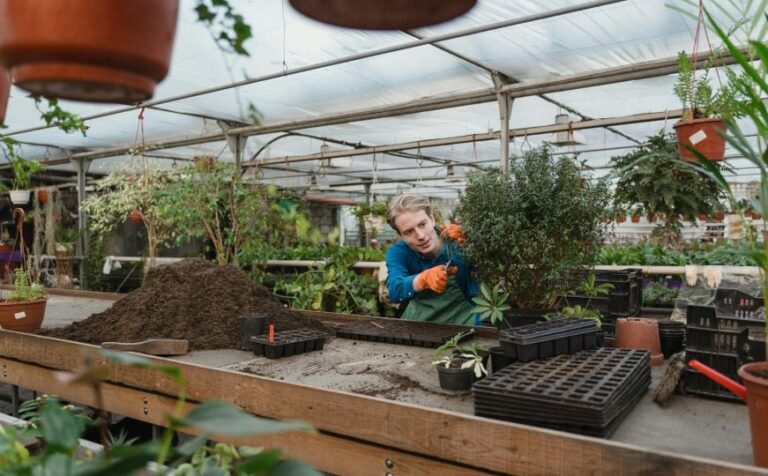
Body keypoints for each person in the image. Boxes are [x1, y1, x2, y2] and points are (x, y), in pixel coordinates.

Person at [385, 194, 479, 325]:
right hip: (420, 330)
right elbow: (395, 291)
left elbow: (500, 270)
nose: (420, 236)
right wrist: (422, 280)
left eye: (422, 224)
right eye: (408, 232)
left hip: (468, 325)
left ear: (432, 219)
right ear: (401, 236)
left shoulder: (457, 241)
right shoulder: (399, 252)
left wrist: (475, 239)